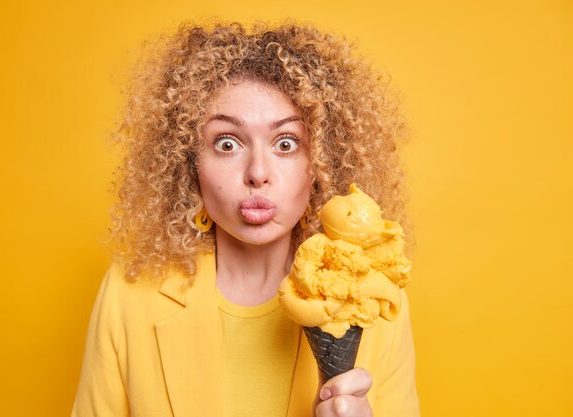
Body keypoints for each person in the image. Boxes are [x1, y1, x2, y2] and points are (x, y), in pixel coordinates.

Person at [72, 21, 419, 417]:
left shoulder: (375, 301)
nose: (257, 172)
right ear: (190, 162)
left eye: (286, 144)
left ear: (322, 163)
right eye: (227, 143)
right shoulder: (129, 292)